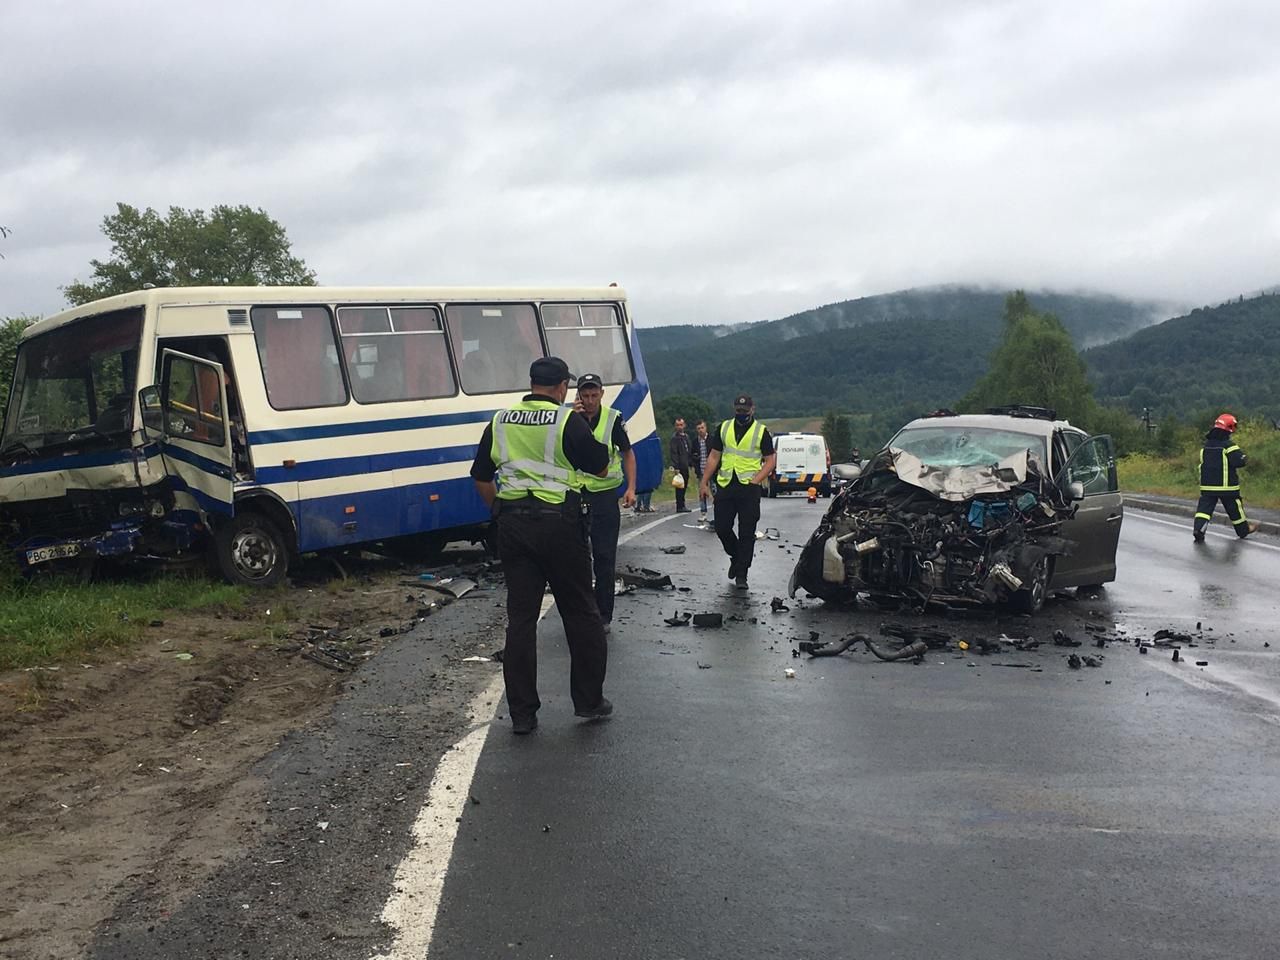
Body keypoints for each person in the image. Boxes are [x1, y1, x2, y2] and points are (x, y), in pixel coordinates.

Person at [470, 356, 614, 734]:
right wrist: (583, 422)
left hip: (514, 526)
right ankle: (588, 701)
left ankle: (522, 714)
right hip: (560, 526)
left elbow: (481, 476)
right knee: (581, 613)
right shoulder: (567, 421)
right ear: (563, 387)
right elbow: (600, 466)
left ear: (532, 382)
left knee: (520, 620)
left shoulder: (500, 420)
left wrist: (499, 512)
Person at [573, 373, 636, 633]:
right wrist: (574, 419)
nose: (589, 401)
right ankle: (582, 611)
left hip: (605, 496)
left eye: (593, 395)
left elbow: (627, 453)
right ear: (578, 396)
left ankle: (604, 616)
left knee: (604, 557)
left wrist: (631, 488)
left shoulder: (613, 419)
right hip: (576, 495)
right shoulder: (568, 419)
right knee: (576, 559)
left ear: (601, 394)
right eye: (585, 396)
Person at [699, 394, 776, 588]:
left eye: (745, 410)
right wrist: (704, 481)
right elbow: (714, 456)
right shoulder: (724, 428)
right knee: (722, 527)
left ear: (752, 409)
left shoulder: (761, 432)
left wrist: (756, 480)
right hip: (726, 484)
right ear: (734, 410)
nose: (741, 413)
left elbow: (770, 461)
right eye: (738, 410)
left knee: (747, 532)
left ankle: (742, 574)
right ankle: (736, 555)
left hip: (749, 487)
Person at [1193, 413, 1260, 542]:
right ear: (1230, 428)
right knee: (1235, 509)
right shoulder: (1229, 445)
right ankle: (1243, 530)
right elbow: (1239, 462)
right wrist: (1245, 458)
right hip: (1227, 487)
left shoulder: (1206, 447)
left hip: (1207, 487)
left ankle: (1199, 529)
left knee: (1204, 510)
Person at [669, 417, 693, 513]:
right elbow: (674, 453)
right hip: (680, 465)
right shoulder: (675, 438)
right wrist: (676, 466)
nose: (679, 427)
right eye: (678, 425)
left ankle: (682, 504)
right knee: (679, 486)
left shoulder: (686, 437)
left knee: (685, 484)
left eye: (681, 425)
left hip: (685, 464)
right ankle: (680, 505)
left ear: (684, 425)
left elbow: (689, 450)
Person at [691, 419, 712, 517]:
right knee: (701, 492)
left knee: (715, 491)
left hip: (712, 471)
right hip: (701, 470)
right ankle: (703, 512)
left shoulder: (712, 439)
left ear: (706, 428)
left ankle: (717, 512)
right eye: (698, 428)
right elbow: (692, 456)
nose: (700, 430)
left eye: (702, 428)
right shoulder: (695, 442)